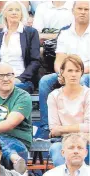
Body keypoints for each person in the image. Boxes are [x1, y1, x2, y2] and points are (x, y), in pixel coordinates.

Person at [37, 1, 90, 140]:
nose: (83, 12)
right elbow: (59, 59)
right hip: (68, 71)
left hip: (87, 73)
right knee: (45, 81)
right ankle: (45, 129)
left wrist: (78, 72)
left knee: (82, 79)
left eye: (86, 9)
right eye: (80, 8)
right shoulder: (65, 33)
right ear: (73, 11)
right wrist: (62, 73)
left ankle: (82, 128)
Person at [0, 1, 40, 94]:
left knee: (1, 90)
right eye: (10, 10)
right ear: (5, 14)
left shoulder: (30, 32)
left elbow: (35, 61)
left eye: (17, 10)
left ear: (21, 14)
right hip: (1, 80)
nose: (14, 12)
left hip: (22, 80)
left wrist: (20, 78)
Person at [48, 55, 90, 166]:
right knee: (57, 150)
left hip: (86, 141)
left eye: (77, 70)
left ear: (81, 72)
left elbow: (88, 126)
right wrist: (78, 129)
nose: (73, 74)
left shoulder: (88, 94)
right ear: (62, 72)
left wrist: (62, 129)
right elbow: (53, 128)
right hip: (62, 141)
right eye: (70, 70)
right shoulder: (54, 96)